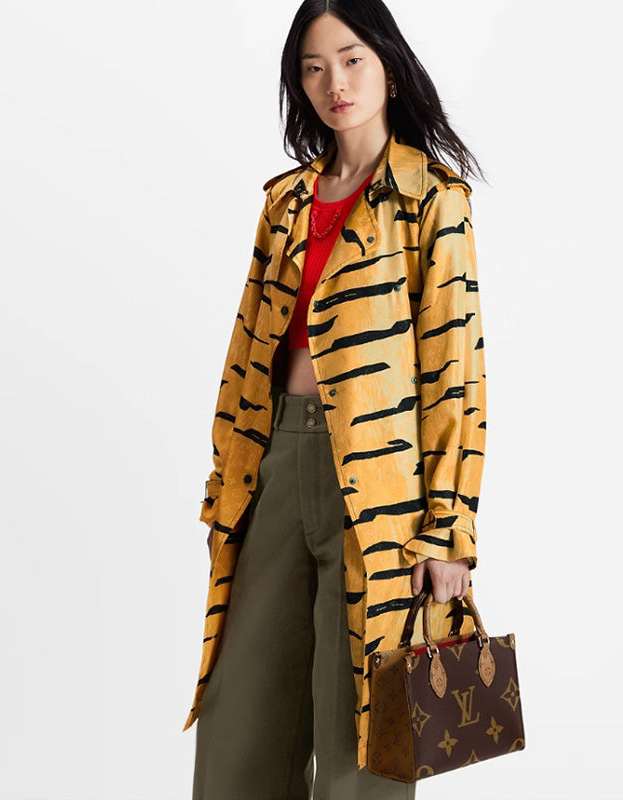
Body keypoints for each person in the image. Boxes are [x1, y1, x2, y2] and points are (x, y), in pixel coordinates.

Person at [187, 1, 488, 797]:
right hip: (276, 463)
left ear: (389, 64)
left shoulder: (432, 198)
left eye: (352, 59)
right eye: (314, 68)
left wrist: (449, 531)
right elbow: (246, 352)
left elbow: (456, 371)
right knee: (238, 727)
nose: (335, 83)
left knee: (366, 739)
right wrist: (227, 487)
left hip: (385, 488)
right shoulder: (285, 201)